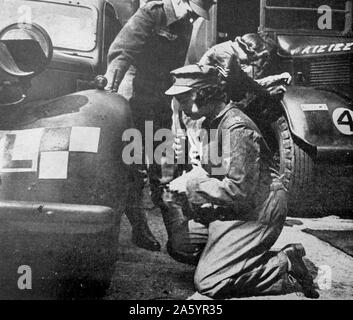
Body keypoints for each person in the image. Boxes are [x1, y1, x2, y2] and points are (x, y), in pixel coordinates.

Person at [162, 64, 318, 299]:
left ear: (204, 95)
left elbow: (239, 190)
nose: (181, 106)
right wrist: (188, 180)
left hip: (259, 211)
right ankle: (233, 259)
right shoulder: (214, 122)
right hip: (239, 206)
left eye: (184, 98)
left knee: (209, 283)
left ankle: (284, 265)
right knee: (181, 242)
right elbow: (213, 170)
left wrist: (192, 186)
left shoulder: (237, 127)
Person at [104, 0, 215, 251]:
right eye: (191, 10)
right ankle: (139, 229)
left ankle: (177, 232)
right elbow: (121, 52)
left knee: (164, 166)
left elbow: (175, 65)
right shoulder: (153, 13)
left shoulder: (187, 22)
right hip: (133, 100)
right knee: (134, 170)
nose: (192, 18)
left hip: (160, 101)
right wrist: (112, 90)